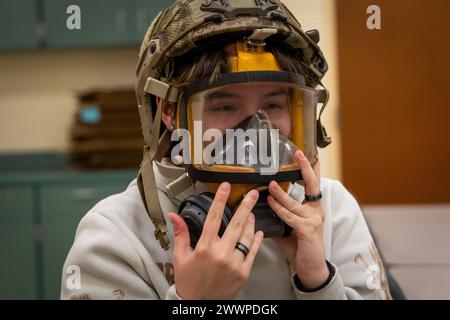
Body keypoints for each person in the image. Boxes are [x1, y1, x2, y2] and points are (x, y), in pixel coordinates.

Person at [61, 0, 392, 300]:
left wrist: (319, 281)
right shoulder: (115, 236)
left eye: (274, 103)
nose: (256, 128)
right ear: (169, 111)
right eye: (224, 107)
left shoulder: (331, 209)